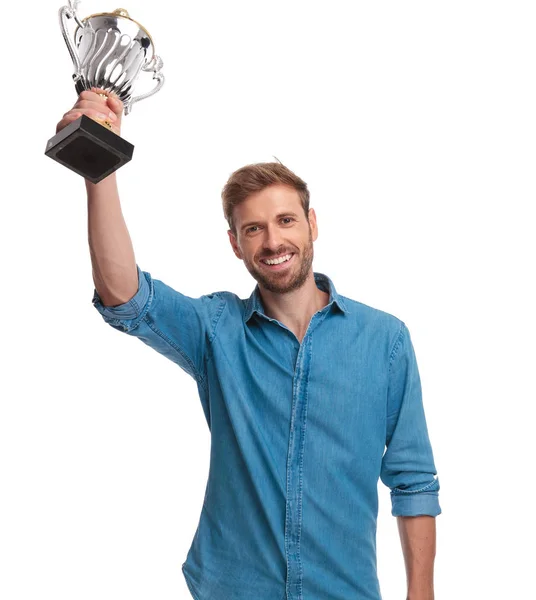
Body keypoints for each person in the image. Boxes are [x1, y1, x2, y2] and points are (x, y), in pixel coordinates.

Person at [57, 89, 442, 600]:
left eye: (285, 221)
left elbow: (413, 482)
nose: (272, 242)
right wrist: (97, 167)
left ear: (312, 225)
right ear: (235, 243)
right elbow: (124, 294)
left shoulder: (385, 340)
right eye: (253, 229)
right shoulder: (217, 328)